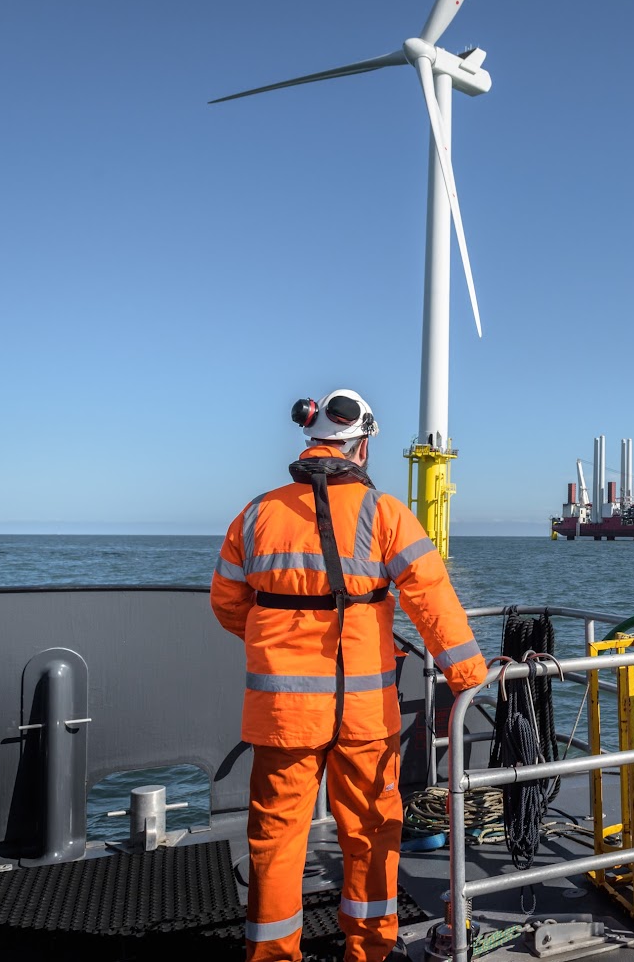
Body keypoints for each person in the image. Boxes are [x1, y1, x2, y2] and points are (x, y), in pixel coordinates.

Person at [210, 388, 488, 962]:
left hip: (282, 714)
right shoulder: (385, 513)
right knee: (369, 835)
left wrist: (275, 646)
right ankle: (368, 953)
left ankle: (271, 956)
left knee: (277, 842)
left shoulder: (257, 513)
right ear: (361, 447)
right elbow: (434, 605)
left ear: (312, 442)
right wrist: (469, 679)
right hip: (364, 714)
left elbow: (227, 603)